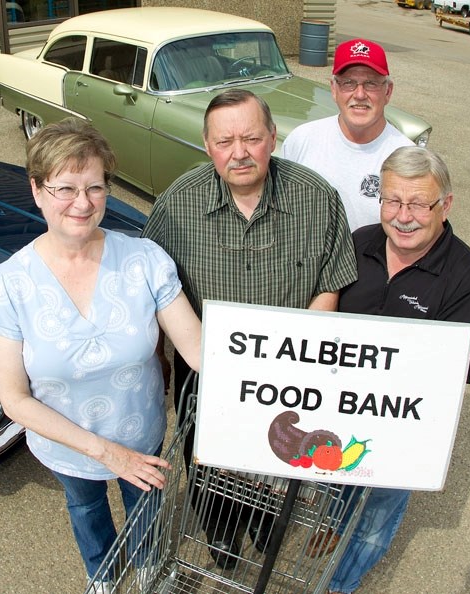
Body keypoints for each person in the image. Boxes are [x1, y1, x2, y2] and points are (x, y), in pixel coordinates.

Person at [0, 117, 203, 593]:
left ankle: (148, 564)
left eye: (95, 187)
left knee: (146, 504)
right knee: (85, 505)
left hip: (140, 432)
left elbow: (199, 349)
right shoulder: (7, 284)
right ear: (37, 190)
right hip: (67, 445)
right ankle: (102, 572)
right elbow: (15, 399)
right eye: (65, 188)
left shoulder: (145, 260)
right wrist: (106, 454)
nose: (82, 203)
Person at [142, 88, 357, 568]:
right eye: (224, 142)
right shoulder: (178, 204)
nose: (239, 152)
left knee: (278, 460)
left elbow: (330, 281)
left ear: (273, 138)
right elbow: (150, 288)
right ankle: (222, 539)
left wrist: (298, 359)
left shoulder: (317, 198)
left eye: (251, 138)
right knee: (208, 468)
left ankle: (265, 531)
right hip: (206, 373)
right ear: (207, 146)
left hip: (288, 374)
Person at [323, 146, 470, 593]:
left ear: (445, 205)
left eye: (418, 203)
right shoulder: (358, 242)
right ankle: (336, 526)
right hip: (340, 406)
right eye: (392, 201)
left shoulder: (464, 275)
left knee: (378, 510)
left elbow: (453, 370)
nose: (403, 216)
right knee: (337, 483)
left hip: (401, 424)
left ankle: (339, 583)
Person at [282, 38, 413, 231]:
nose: (359, 94)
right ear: (334, 90)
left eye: (371, 84)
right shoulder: (301, 140)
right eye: (348, 83)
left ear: (388, 91)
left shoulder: (407, 157)